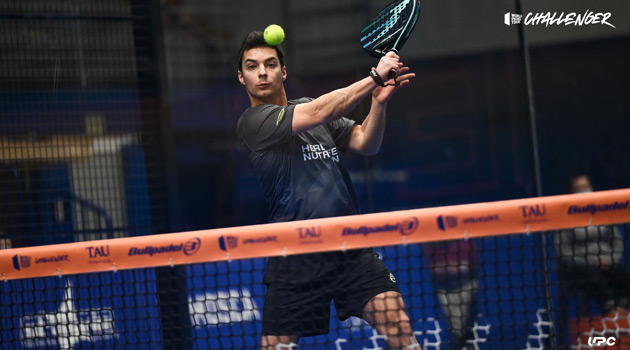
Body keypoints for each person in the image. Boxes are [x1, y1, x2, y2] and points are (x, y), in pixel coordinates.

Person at [235, 30, 418, 349]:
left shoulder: (308, 106)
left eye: (270, 64)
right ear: (242, 77)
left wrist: (378, 104)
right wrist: (374, 76)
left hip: (350, 247)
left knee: (399, 326)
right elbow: (320, 111)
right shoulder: (254, 123)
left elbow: (365, 142)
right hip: (295, 255)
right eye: (252, 66)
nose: (262, 72)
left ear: (284, 71)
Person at [555, 174, 630, 345]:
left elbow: (617, 244)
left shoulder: (602, 213)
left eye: (586, 187)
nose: (583, 192)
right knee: (595, 277)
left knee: (624, 276)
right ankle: (610, 310)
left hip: (608, 265)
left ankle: (624, 314)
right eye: (579, 189)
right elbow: (563, 251)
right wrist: (589, 262)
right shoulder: (563, 217)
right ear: (571, 192)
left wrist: (608, 260)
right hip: (582, 271)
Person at [425, 240, 478, 350]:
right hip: (444, 290)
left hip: (465, 287)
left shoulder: (466, 243)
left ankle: (468, 343)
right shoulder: (431, 246)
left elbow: (466, 268)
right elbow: (435, 269)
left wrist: (451, 268)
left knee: (468, 324)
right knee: (457, 329)